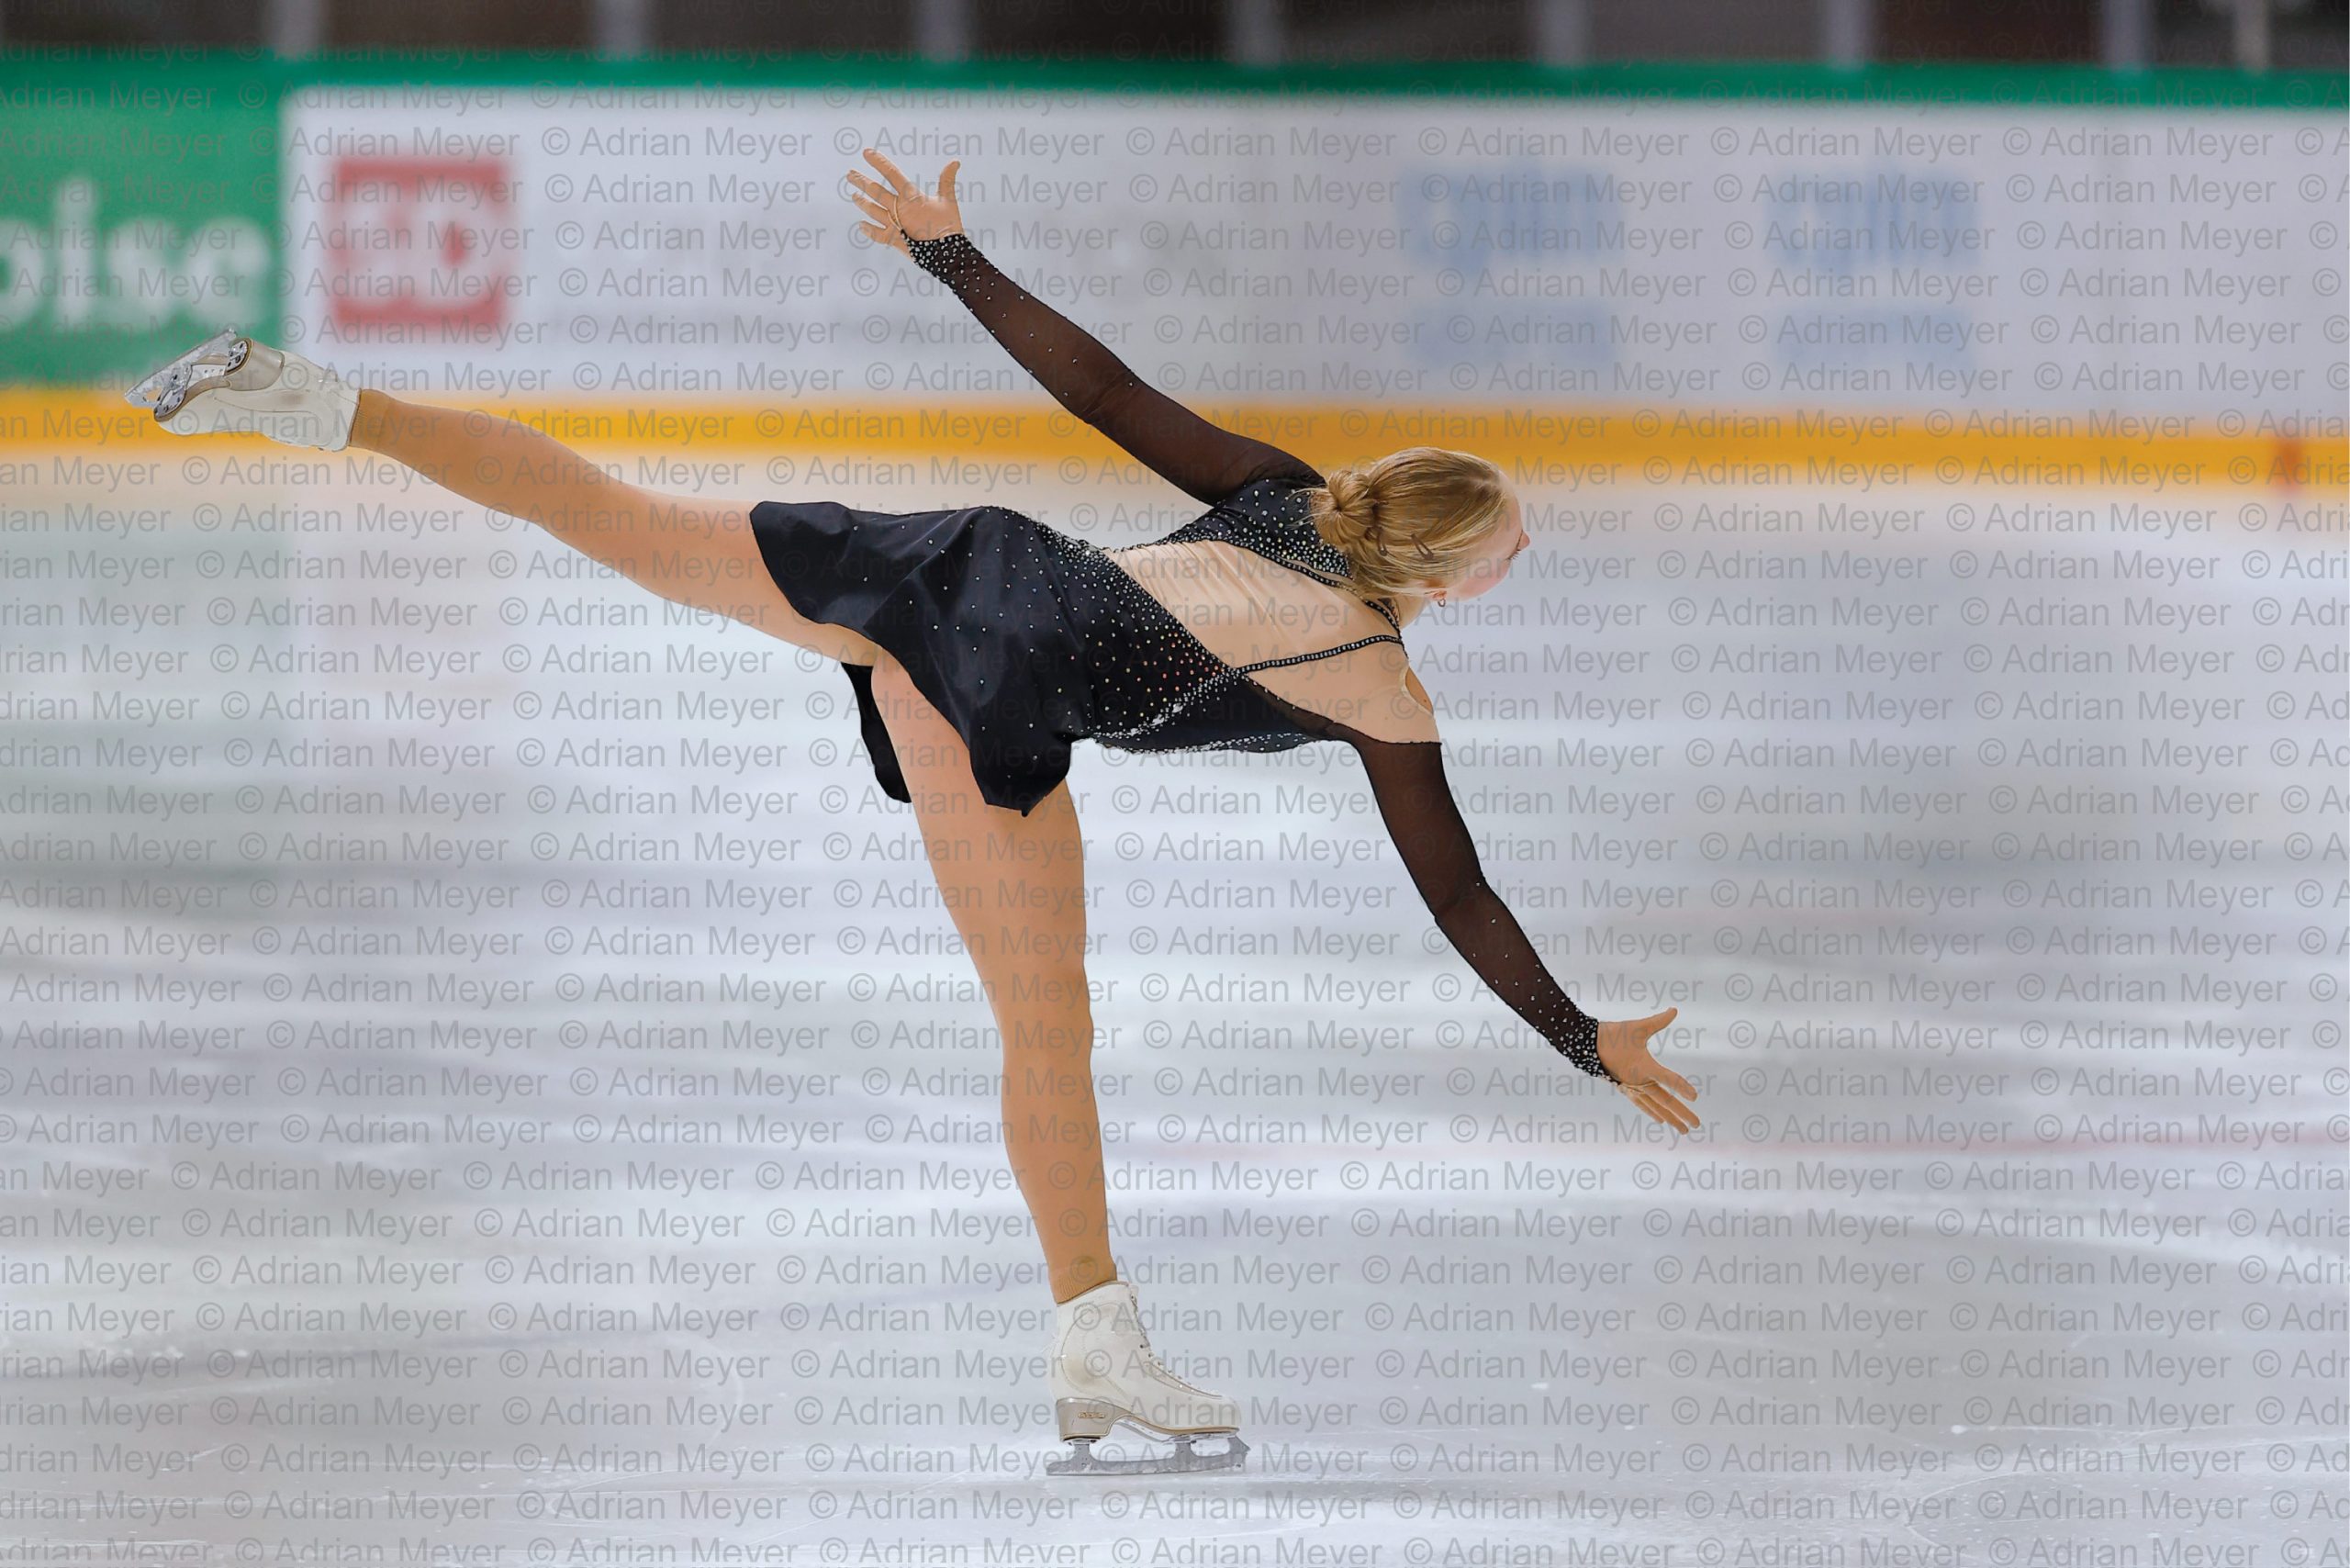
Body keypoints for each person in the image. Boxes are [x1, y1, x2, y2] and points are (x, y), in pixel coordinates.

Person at [126, 147, 1699, 1476]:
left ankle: (320, 401)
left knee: (612, 514)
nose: (1513, 567)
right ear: (1436, 574)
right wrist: (1582, 1038)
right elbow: (1462, 900)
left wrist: (958, 260)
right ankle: (1093, 1332)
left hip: (956, 567)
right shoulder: (1384, 690)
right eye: (1507, 551)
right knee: (1045, 1030)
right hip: (1004, 689)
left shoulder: (1286, 490)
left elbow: (1106, 391)